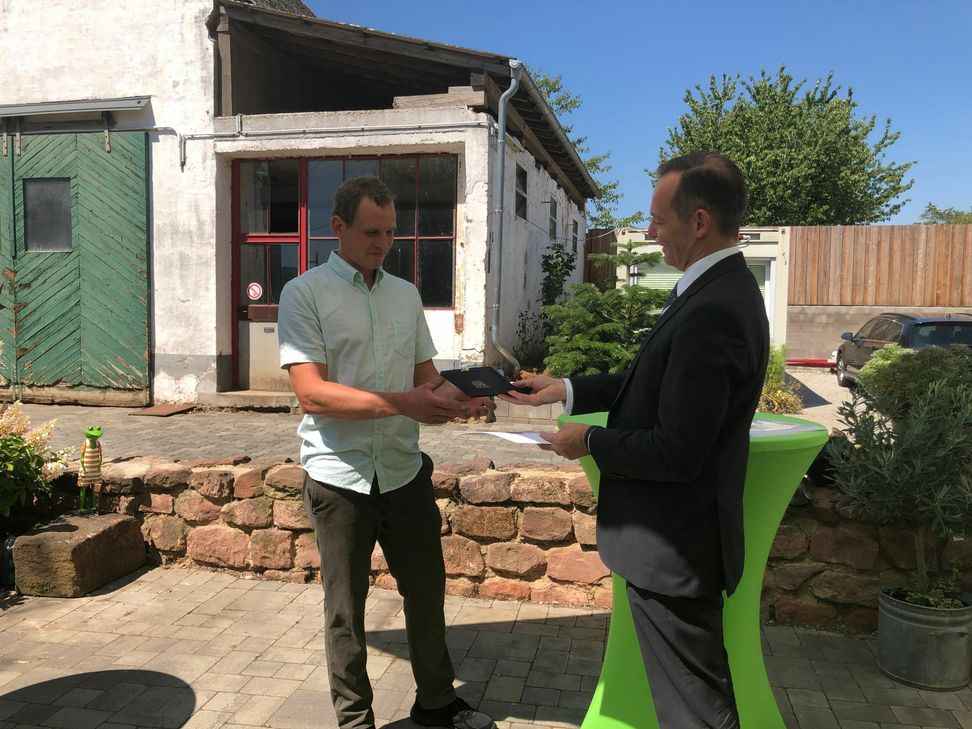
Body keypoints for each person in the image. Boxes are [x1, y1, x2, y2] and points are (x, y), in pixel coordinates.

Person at [502, 152, 769, 729]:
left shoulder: (714, 308)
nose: (649, 234)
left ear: (699, 222)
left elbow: (677, 450)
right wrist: (565, 388)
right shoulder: (714, 290)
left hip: (675, 548)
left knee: (693, 708)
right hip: (677, 544)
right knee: (689, 699)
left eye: (658, 220)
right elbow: (651, 381)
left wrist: (590, 443)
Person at [278, 176, 496, 729]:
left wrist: (463, 400)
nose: (383, 243)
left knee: (427, 596)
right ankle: (355, 721)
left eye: (391, 233)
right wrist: (408, 402)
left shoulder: (405, 295)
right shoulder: (304, 293)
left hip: (403, 473)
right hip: (338, 478)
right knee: (345, 613)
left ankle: (437, 706)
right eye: (371, 232)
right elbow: (312, 393)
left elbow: (426, 379)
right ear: (338, 228)